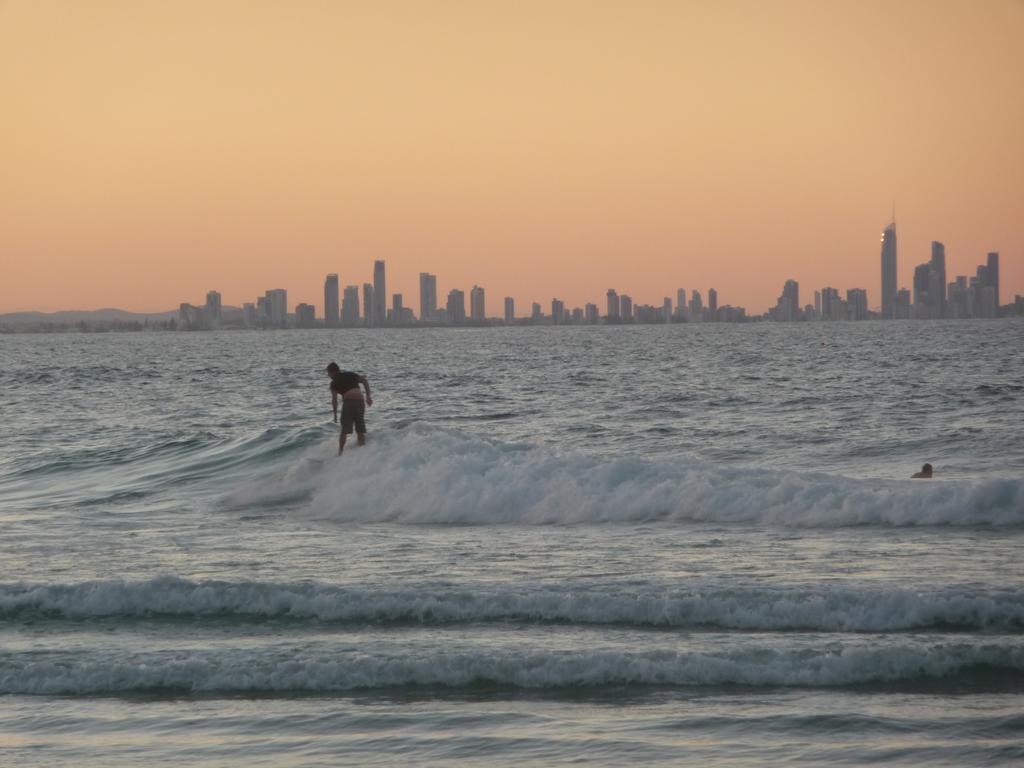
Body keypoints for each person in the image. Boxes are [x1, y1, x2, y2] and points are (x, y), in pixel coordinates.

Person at [326, 362, 372, 455]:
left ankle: (340, 452)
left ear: (333, 372)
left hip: (349, 402)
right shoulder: (351, 374)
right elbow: (365, 381)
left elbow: (334, 400)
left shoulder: (333, 383)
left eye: (329, 373)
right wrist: (368, 396)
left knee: (344, 430)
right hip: (360, 401)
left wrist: (335, 414)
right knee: (360, 430)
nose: (328, 375)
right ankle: (362, 452)